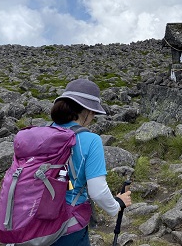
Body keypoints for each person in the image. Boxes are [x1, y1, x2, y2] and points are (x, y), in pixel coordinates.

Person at [50, 78, 132, 246]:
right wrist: (116, 205)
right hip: (66, 227)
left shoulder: (40, 133)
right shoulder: (90, 140)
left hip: (29, 220)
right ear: (85, 111)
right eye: (93, 112)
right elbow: (98, 192)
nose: (93, 117)